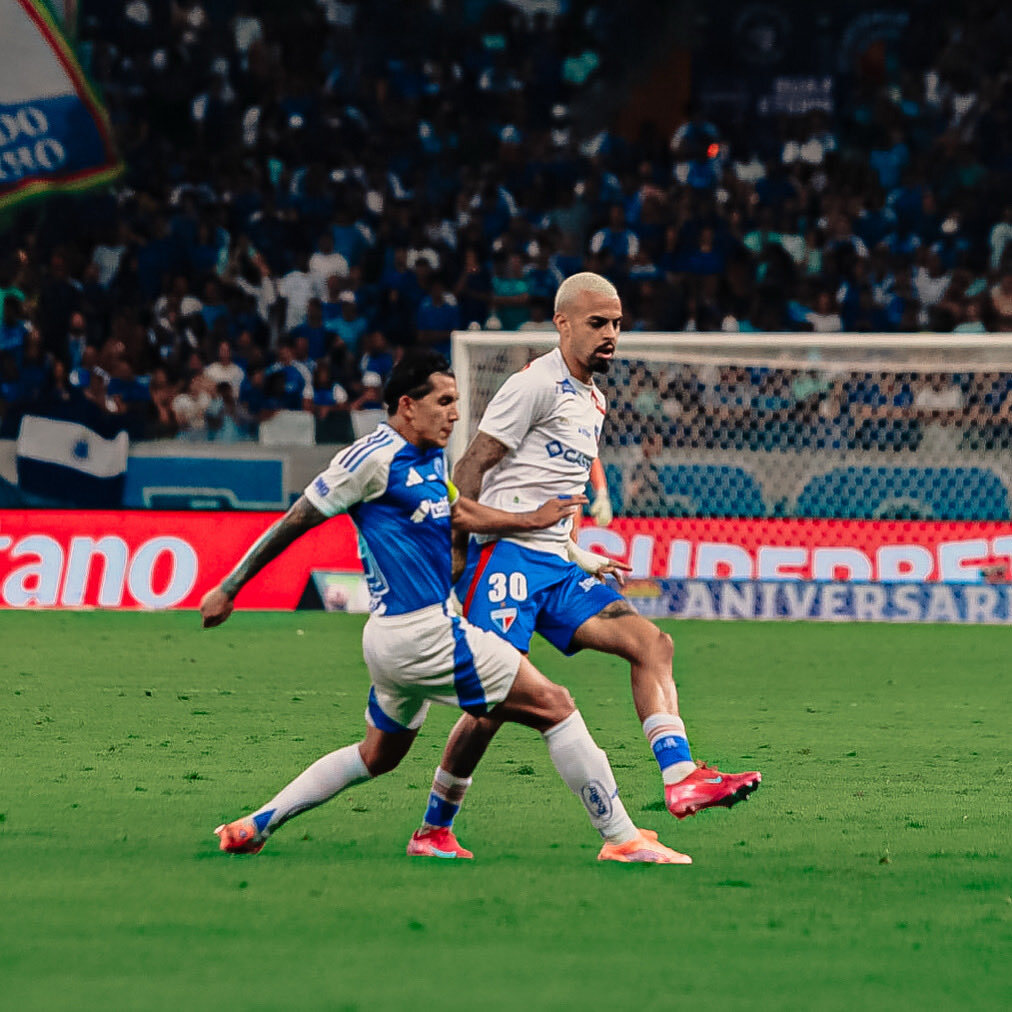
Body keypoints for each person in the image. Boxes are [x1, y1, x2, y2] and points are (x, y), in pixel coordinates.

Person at [202, 350, 689, 865]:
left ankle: (258, 824)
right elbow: (297, 519)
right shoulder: (369, 459)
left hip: (396, 641)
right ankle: (622, 838)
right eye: (445, 402)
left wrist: (534, 524)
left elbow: (458, 509)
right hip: (423, 633)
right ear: (407, 405)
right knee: (557, 707)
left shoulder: (429, 454)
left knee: (377, 756)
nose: (455, 413)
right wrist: (230, 588)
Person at [407, 273, 760, 856]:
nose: (611, 335)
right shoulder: (533, 386)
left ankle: (681, 779)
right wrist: (457, 552)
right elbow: (471, 465)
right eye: (598, 323)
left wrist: (579, 553)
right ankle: (435, 829)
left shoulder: (594, 399)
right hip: (505, 562)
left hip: (556, 565)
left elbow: (555, 494)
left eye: (617, 323)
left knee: (652, 644)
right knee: (492, 707)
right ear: (562, 323)